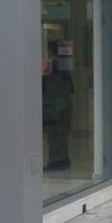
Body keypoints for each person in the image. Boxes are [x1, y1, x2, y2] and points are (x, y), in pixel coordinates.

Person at [42, 40, 74, 170]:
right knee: (61, 134)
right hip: (64, 104)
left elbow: (48, 85)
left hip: (56, 105)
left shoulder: (53, 66)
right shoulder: (64, 66)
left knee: (55, 134)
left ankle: (56, 162)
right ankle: (62, 160)